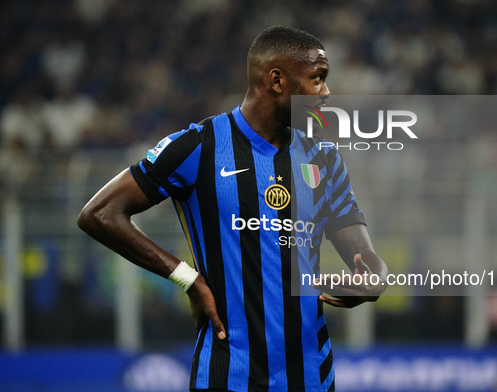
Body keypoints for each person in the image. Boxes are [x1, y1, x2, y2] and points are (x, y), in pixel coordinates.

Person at [78, 25, 388, 392]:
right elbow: (99, 213)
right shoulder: (199, 146)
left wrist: (373, 280)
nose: (326, 93)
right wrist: (186, 278)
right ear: (277, 81)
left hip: (311, 377)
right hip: (227, 375)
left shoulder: (325, 158)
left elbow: (367, 258)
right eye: (317, 80)